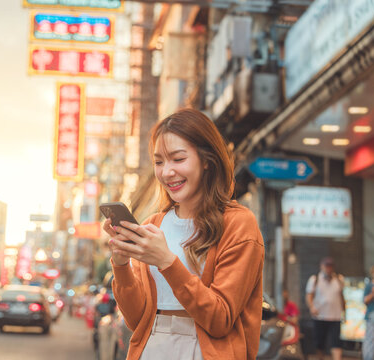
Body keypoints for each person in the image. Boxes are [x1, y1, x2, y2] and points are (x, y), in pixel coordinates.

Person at [103, 108, 265, 359]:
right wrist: (121, 262)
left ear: (207, 160)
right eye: (159, 162)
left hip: (206, 350)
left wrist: (166, 261)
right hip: (153, 347)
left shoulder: (239, 223)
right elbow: (136, 321)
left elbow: (220, 319)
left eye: (178, 159)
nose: (167, 172)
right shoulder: (153, 224)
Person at [305, 257, 346, 360]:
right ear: (321, 266)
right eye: (326, 266)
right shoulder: (315, 279)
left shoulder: (339, 279)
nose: (328, 268)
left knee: (336, 341)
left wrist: (345, 311)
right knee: (320, 342)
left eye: (330, 266)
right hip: (320, 316)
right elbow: (309, 295)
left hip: (335, 316)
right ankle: (320, 357)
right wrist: (311, 307)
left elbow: (342, 296)